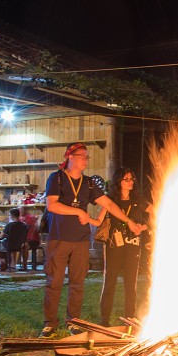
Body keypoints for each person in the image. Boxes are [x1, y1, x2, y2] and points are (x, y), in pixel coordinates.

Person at [41, 143, 145, 337]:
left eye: (87, 157)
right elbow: (52, 205)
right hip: (59, 238)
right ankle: (50, 323)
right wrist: (78, 211)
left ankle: (73, 321)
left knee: (77, 282)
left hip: (81, 240)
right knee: (54, 281)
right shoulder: (57, 178)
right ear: (70, 157)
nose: (86, 160)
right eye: (83, 156)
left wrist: (129, 222)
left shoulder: (88, 183)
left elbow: (109, 204)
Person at [97, 167, 153, 327]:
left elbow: (156, 211)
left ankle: (130, 318)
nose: (130, 182)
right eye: (126, 179)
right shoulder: (110, 199)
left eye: (132, 179)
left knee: (131, 283)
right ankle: (104, 320)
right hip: (114, 245)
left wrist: (144, 227)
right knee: (110, 281)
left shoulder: (138, 200)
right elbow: (99, 220)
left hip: (133, 245)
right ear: (118, 182)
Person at [19, 206, 41, 271]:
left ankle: (24, 265)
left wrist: (26, 239)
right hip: (24, 239)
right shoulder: (20, 218)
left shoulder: (30, 218)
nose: (20, 211)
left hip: (33, 240)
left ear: (26, 210)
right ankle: (12, 264)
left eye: (21, 210)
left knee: (25, 246)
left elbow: (32, 230)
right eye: (19, 210)